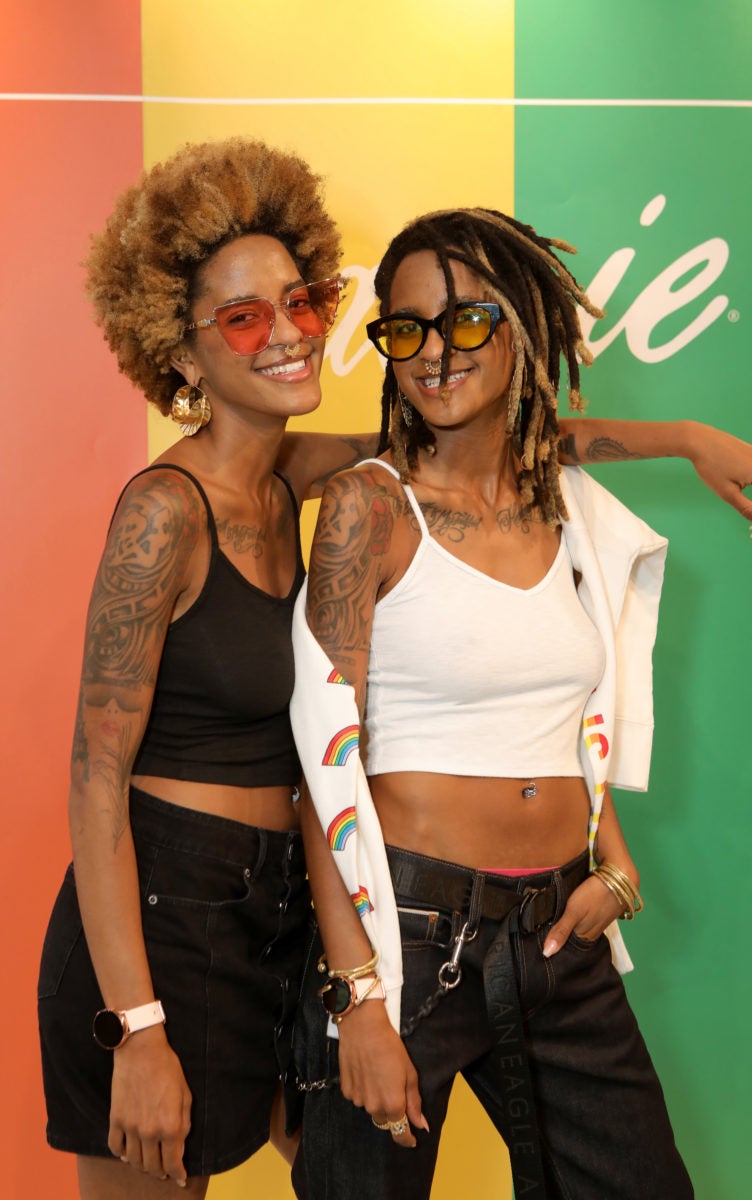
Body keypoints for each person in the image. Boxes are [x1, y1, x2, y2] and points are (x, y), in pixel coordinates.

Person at [37, 137, 751, 1199]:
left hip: (279, 903)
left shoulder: (296, 472)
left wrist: (686, 438)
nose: (289, 333)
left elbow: (505, 436)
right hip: (165, 907)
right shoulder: (164, 512)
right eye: (245, 318)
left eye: (302, 302)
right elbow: (95, 780)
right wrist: (135, 1023)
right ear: (179, 353)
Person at [288, 207, 720, 1199]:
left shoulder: (563, 503)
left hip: (558, 927)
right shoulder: (369, 507)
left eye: (468, 321)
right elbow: (321, 762)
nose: (436, 354)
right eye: (406, 330)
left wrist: (614, 866)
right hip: (406, 937)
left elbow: (573, 721)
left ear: (520, 325)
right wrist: (357, 997)